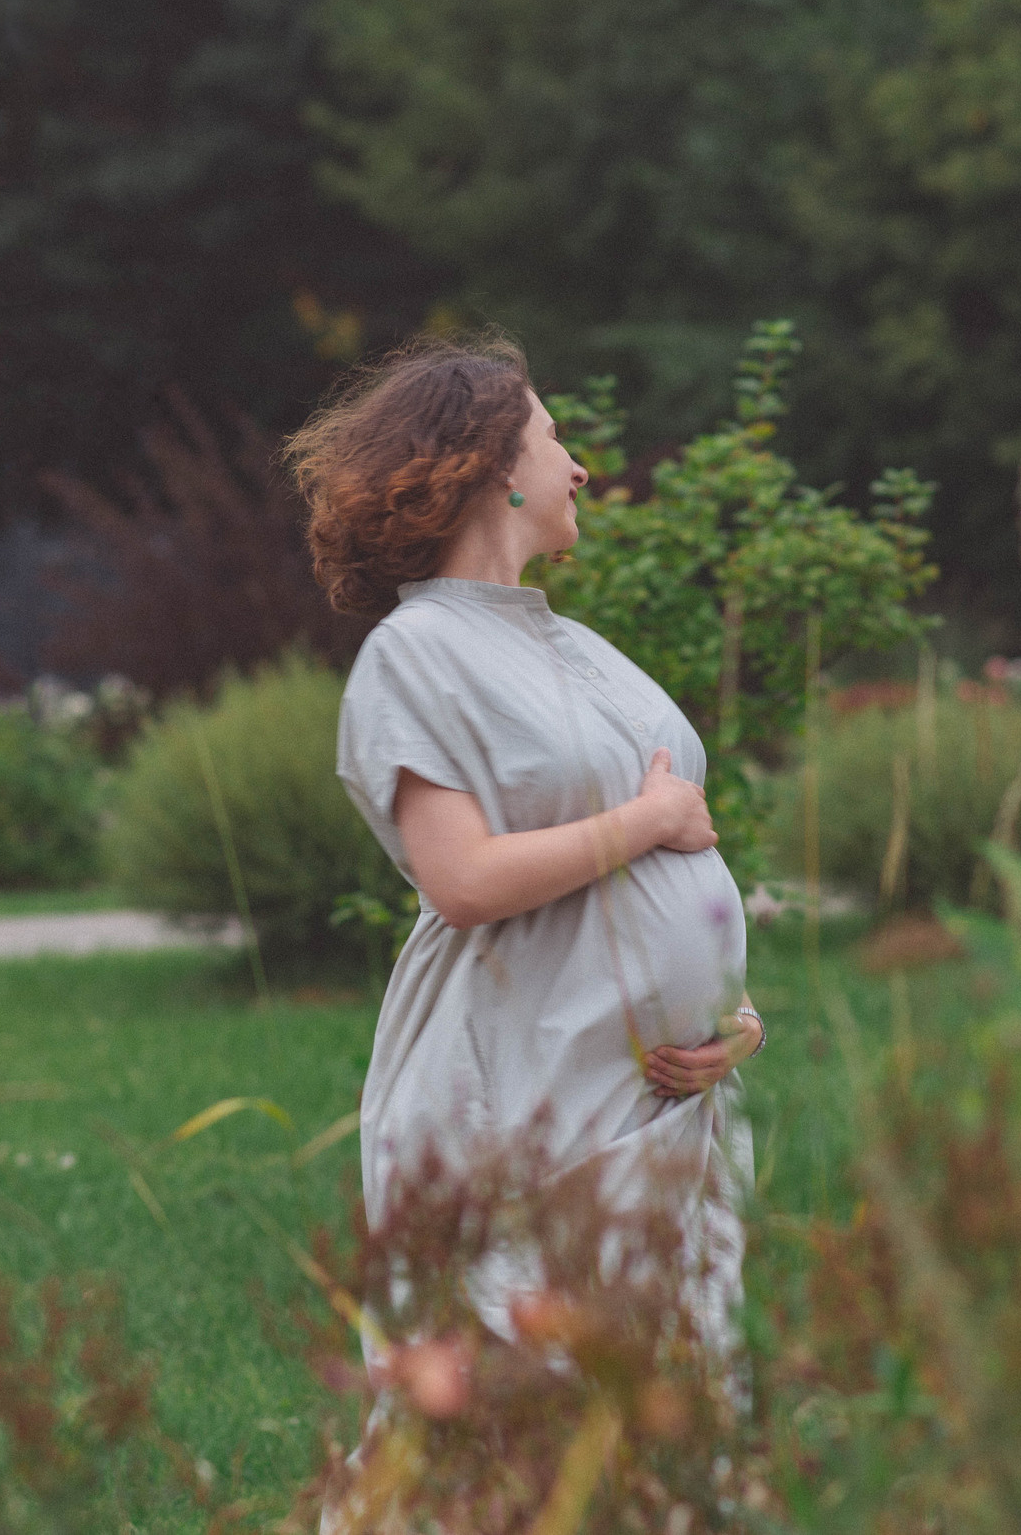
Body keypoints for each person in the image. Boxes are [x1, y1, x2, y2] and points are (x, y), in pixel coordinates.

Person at [285, 333, 764, 1346]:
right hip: (527, 1086)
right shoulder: (416, 652)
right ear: (491, 464)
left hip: (650, 1101)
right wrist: (652, 819)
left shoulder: (573, 644)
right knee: (537, 1387)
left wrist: (729, 1015)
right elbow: (460, 879)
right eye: (553, 439)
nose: (579, 467)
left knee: (662, 1394)